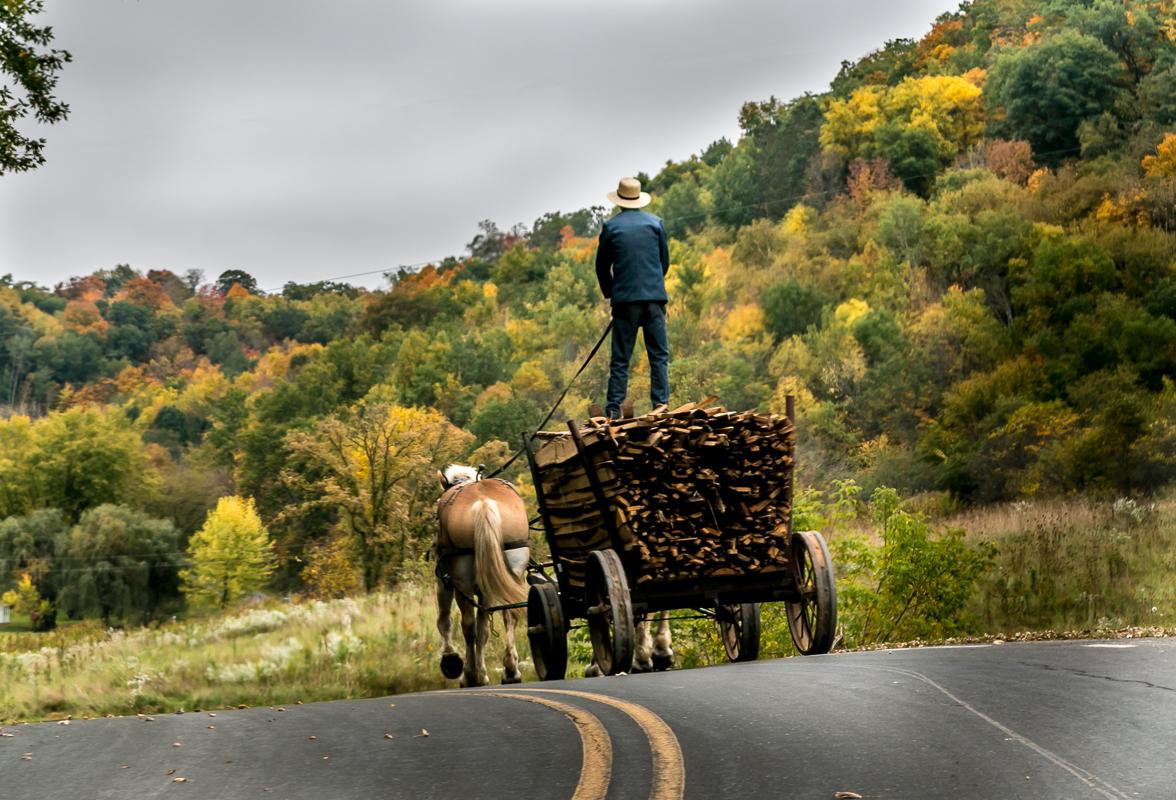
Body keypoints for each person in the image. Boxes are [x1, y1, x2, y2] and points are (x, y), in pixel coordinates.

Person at [594, 176, 671, 419]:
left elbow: (601, 267)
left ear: (619, 201)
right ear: (639, 200)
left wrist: (612, 292)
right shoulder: (656, 224)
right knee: (658, 355)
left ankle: (614, 411)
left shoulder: (611, 227)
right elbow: (663, 262)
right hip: (654, 300)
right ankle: (660, 405)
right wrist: (653, 285)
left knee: (620, 360)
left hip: (625, 302)